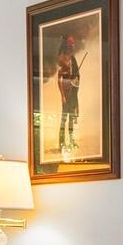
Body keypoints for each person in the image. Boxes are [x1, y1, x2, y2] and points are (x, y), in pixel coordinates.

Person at [53, 30, 83, 159]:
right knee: (64, 118)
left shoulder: (73, 59)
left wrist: (75, 80)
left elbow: (76, 76)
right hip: (66, 93)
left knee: (71, 118)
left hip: (73, 92)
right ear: (67, 45)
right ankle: (61, 143)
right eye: (71, 43)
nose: (73, 45)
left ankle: (71, 142)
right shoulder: (62, 59)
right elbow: (59, 79)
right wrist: (63, 95)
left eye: (73, 43)